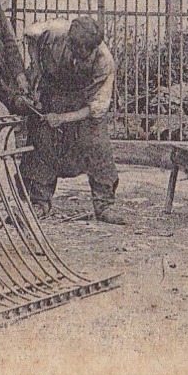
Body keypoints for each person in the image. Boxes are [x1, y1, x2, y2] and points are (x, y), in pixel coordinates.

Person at [20, 17, 125, 224]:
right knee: (42, 143)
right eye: (77, 51)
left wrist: (63, 118)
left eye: (87, 54)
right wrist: (37, 68)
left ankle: (104, 205)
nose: (81, 59)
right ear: (69, 41)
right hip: (55, 91)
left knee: (96, 145)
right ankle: (39, 202)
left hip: (84, 99)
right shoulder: (55, 31)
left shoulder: (105, 61)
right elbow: (29, 35)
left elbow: (97, 108)